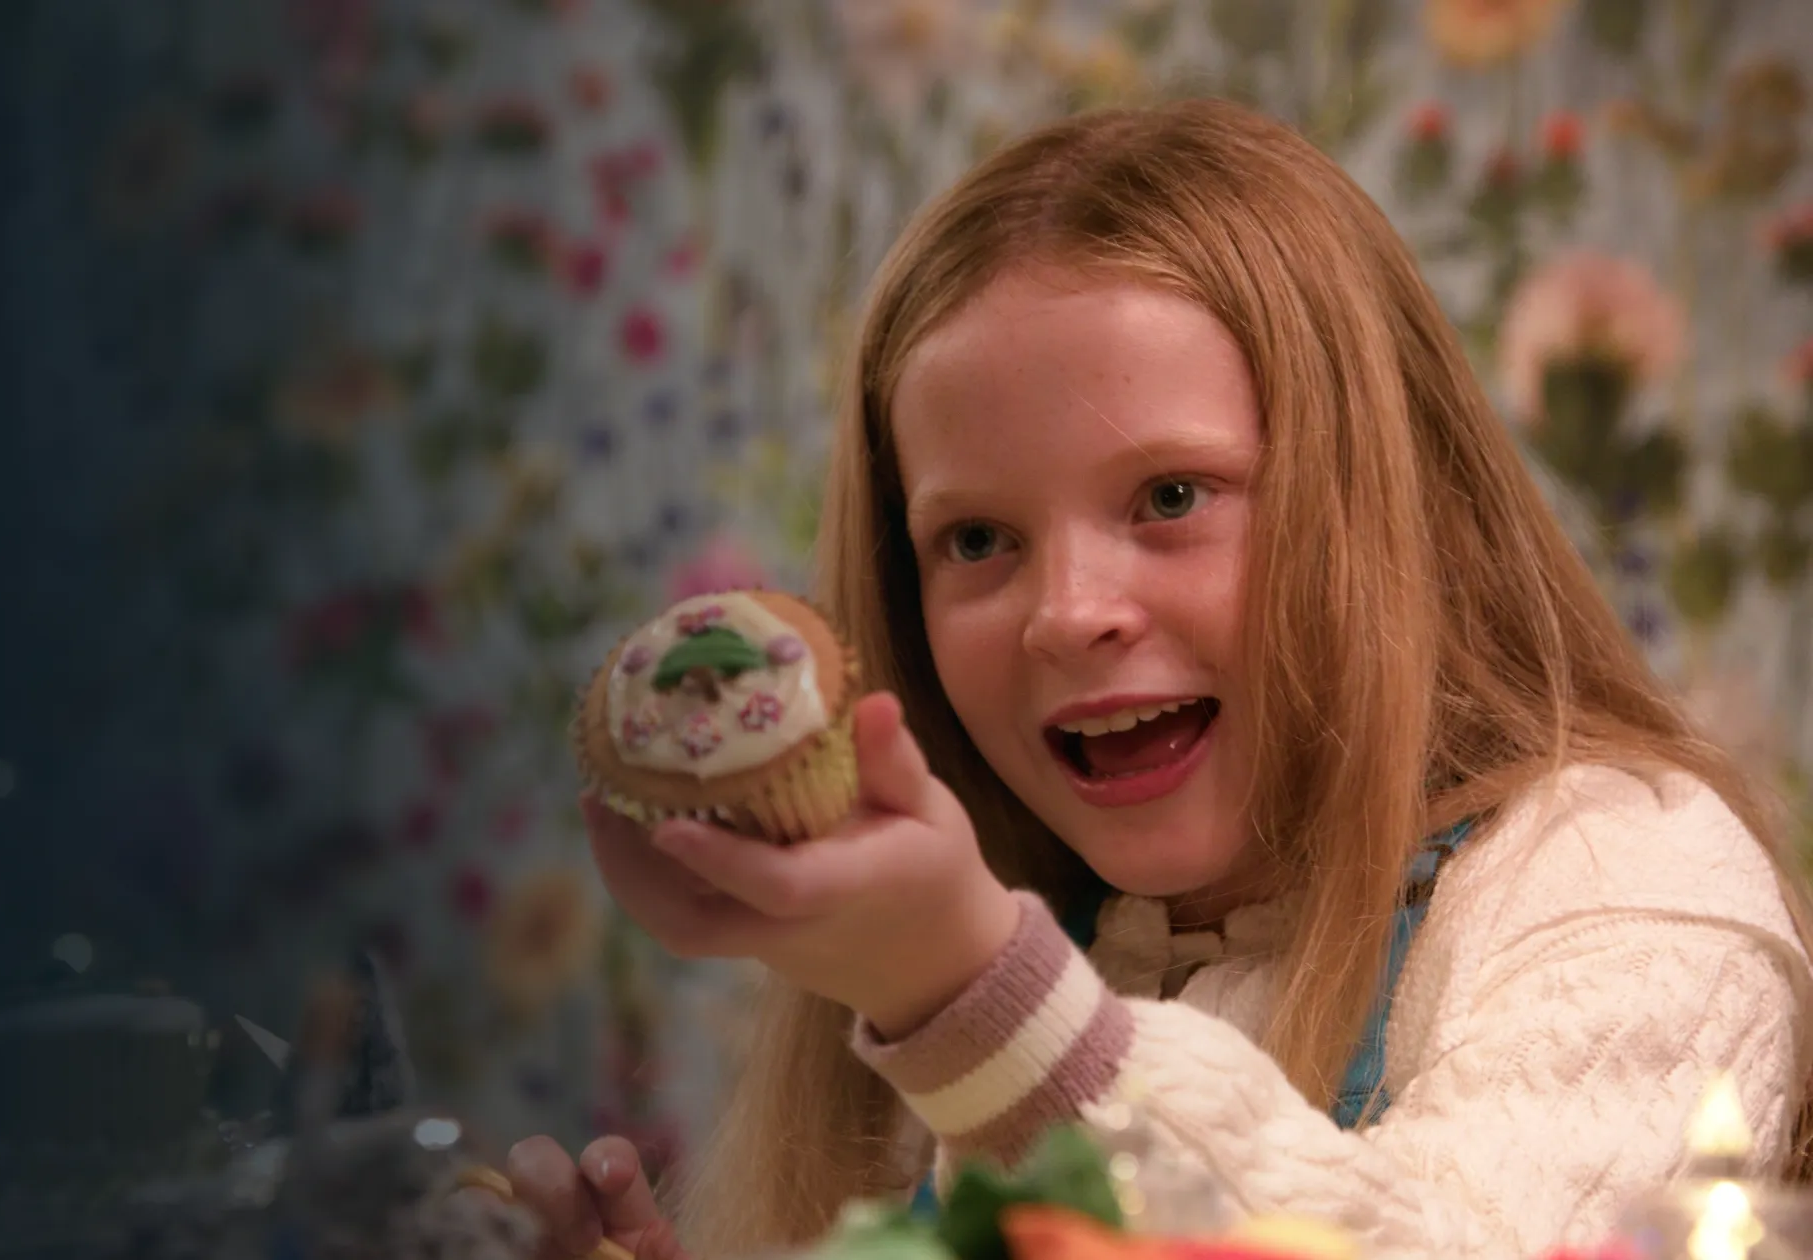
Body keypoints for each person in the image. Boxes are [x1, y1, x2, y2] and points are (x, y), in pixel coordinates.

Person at [506, 99, 1813, 1260]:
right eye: (977, 541)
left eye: (1172, 496)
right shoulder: (1052, 930)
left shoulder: (1625, 880)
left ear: (1400, 505)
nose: (1067, 615)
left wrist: (979, 1003)